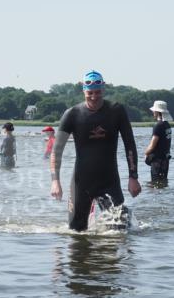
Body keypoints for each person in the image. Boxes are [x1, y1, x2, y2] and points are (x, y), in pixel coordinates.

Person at [50, 71, 141, 231]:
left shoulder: (116, 111)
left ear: (103, 89)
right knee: (76, 232)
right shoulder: (72, 114)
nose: (94, 96)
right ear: (84, 91)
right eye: (90, 93)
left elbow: (130, 145)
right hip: (81, 182)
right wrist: (55, 181)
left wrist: (133, 177)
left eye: (97, 92)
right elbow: (56, 151)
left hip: (109, 181)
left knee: (119, 230)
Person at [144, 100, 173, 185]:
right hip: (165, 159)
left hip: (157, 160)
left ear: (157, 112)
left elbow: (153, 145)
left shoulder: (158, 126)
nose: (153, 112)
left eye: (154, 110)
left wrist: (146, 153)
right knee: (163, 182)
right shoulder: (167, 125)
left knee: (155, 183)